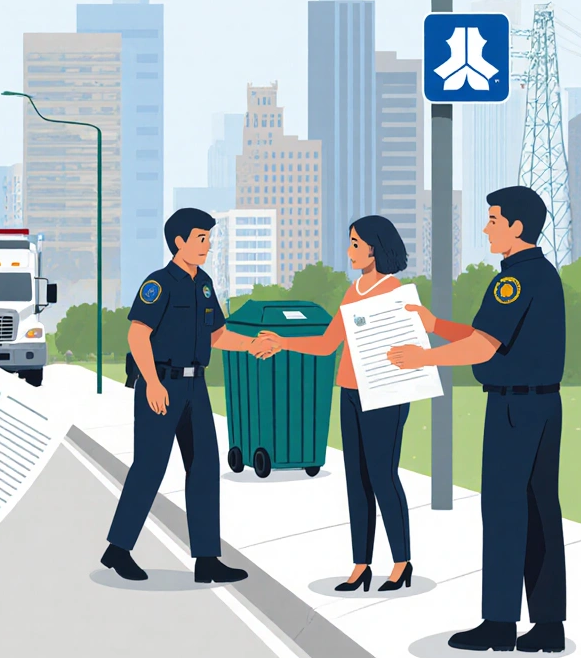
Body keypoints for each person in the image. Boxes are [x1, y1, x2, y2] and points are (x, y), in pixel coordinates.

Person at [388, 185, 567, 653]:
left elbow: (482, 346)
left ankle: (499, 624)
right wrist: (434, 324)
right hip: (544, 404)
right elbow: (483, 332)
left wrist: (422, 357)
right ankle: (548, 625)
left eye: (492, 220)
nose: (486, 228)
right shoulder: (540, 274)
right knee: (540, 509)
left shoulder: (513, 280)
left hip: (513, 408)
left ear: (516, 227)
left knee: (506, 511)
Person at [102, 208, 275, 584]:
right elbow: (137, 335)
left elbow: (217, 336)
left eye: (209, 239)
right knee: (150, 468)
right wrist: (152, 382)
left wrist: (252, 346)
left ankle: (207, 559)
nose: (207, 246)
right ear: (179, 242)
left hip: (196, 387)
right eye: (201, 238)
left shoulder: (205, 284)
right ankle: (118, 549)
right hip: (161, 385)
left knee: (204, 470)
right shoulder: (158, 284)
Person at [259, 216, 415, 593]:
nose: (349, 251)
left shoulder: (392, 290)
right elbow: (328, 344)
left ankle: (401, 562)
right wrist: (283, 342)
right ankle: (361, 565)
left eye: (355, 244)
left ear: (375, 248)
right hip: (349, 392)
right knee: (356, 481)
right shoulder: (354, 290)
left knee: (383, 477)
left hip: (383, 396)